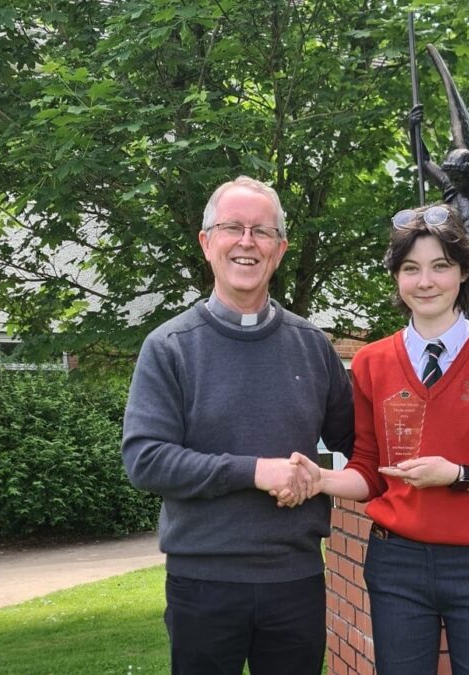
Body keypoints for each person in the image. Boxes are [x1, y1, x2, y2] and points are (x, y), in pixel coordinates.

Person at [281, 203, 469, 675]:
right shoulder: (370, 362)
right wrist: (321, 479)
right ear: (396, 277)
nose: (425, 282)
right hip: (396, 561)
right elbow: (369, 469)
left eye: (440, 266)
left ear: (465, 271)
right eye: (411, 269)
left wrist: (458, 476)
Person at [122, 176, 354, 675]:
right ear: (207, 243)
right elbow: (145, 460)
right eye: (232, 228)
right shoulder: (170, 347)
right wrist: (254, 472)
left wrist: (322, 478)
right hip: (203, 583)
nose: (247, 242)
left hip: (296, 580)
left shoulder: (313, 346)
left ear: (280, 248)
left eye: (262, 231)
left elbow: (361, 443)